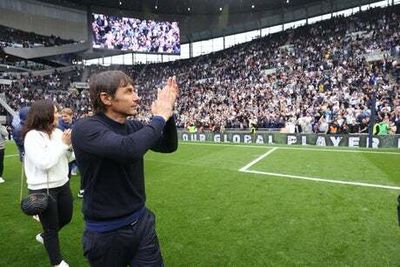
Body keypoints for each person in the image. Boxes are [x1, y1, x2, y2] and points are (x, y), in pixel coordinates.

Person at [71, 70, 178, 266]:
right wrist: (160, 117)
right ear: (106, 98)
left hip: (141, 222)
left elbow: (168, 146)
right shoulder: (85, 128)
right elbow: (128, 150)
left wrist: (169, 114)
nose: (137, 97)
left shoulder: (134, 126)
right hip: (106, 232)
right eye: (129, 91)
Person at [22, 99, 73, 267]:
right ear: (45, 114)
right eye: (55, 111)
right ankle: (57, 262)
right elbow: (44, 163)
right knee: (51, 228)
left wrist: (70, 147)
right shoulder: (31, 136)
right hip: (42, 188)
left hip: (62, 183)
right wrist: (63, 146)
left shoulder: (58, 133)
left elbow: (69, 158)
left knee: (66, 217)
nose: (58, 114)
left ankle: (45, 237)